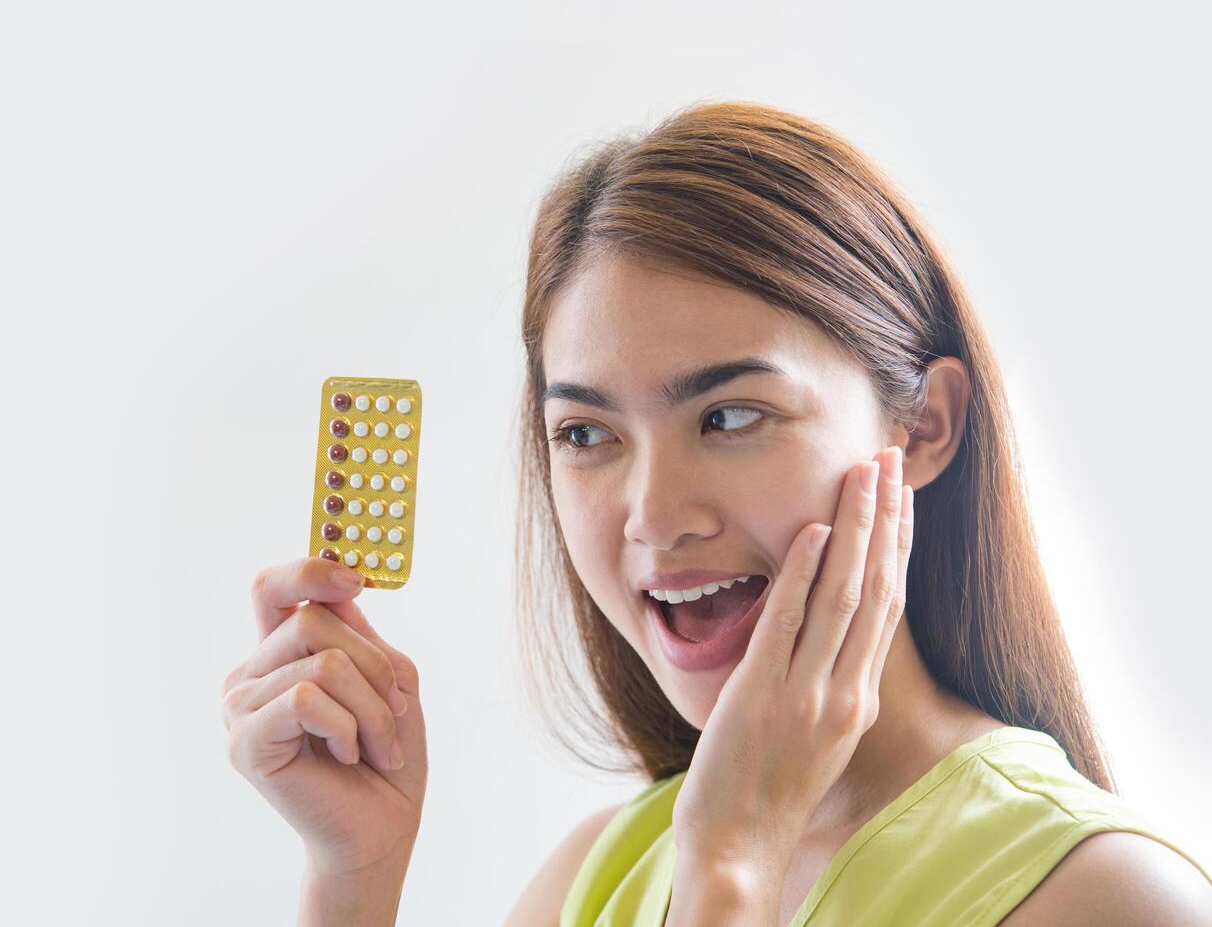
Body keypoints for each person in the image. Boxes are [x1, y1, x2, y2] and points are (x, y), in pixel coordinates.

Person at [222, 102, 1212, 925]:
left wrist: (733, 865)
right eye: (584, 432)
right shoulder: (598, 875)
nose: (653, 514)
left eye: (730, 415)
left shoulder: (1108, 896)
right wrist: (353, 875)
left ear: (925, 428)